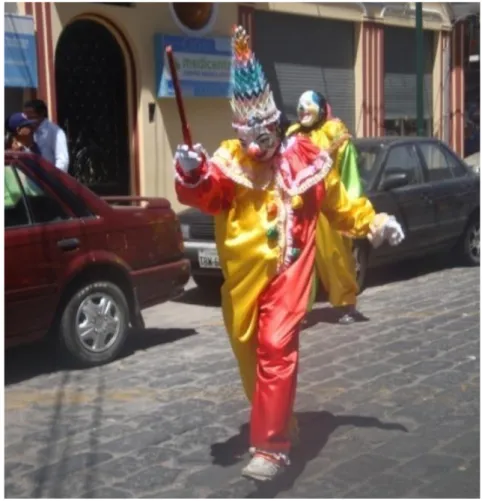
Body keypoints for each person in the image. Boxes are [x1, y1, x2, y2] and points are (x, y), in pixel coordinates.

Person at [173, 25, 405, 482]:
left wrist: (373, 222)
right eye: (246, 135)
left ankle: (272, 447)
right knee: (250, 358)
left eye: (261, 133)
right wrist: (191, 173)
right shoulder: (231, 157)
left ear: (276, 121)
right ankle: (282, 421)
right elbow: (208, 194)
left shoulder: (306, 156)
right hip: (242, 280)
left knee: (276, 346)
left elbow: (338, 204)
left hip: (291, 270)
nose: (255, 145)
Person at [287, 91, 367, 324]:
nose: (303, 110)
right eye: (300, 106)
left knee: (336, 256)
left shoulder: (336, 134)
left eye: (308, 105)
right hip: (301, 207)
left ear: (321, 108)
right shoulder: (294, 136)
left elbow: (350, 175)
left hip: (330, 206)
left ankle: (346, 304)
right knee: (300, 260)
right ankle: (299, 309)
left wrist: (350, 213)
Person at [23, 99, 69, 172]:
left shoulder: (55, 132)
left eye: (31, 115)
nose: (28, 119)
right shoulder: (28, 132)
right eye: (26, 116)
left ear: (41, 113)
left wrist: (53, 177)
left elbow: (62, 160)